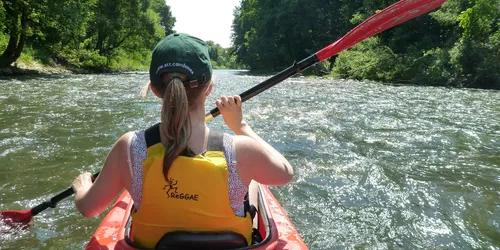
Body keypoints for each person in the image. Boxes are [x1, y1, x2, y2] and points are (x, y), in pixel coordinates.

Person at [71, 33, 294, 248]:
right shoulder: (241, 151)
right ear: (209, 87)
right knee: (252, 181)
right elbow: (285, 173)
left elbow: (89, 208)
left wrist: (82, 188)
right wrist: (240, 127)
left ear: (156, 90)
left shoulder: (128, 147)